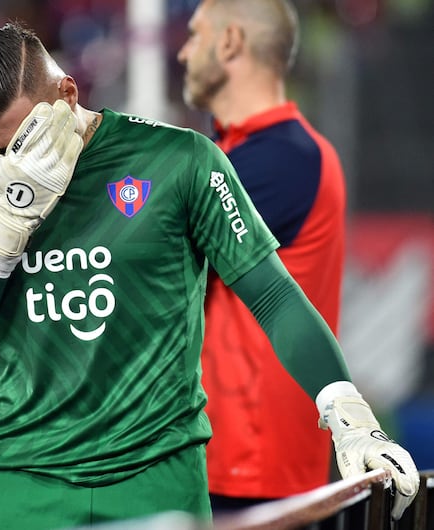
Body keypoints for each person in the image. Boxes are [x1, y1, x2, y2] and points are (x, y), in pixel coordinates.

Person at [0, 21, 419, 530]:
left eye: (27, 138)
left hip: (155, 476)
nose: (14, 160)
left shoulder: (181, 161)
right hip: (14, 479)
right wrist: (3, 232)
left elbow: (273, 295)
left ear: (67, 92)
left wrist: (345, 411)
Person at [176, 0, 347, 512]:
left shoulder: (284, 158)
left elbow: (146, 256)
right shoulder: (258, 154)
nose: (183, 52)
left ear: (229, 42)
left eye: (195, 34)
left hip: (251, 472)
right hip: (234, 464)